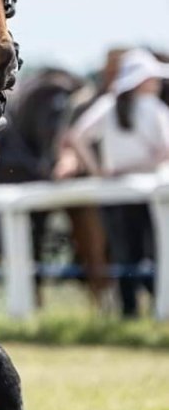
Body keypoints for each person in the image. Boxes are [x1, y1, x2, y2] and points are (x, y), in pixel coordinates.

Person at [58, 49, 169, 316]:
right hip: (151, 190)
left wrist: (97, 169)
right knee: (154, 252)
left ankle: (129, 311)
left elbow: (76, 136)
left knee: (123, 253)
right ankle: (158, 308)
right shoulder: (153, 107)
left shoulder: (107, 105)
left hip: (113, 191)